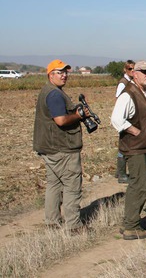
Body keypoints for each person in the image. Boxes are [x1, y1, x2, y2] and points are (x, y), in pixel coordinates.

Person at [33, 59, 91, 233]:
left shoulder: (47, 91)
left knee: (54, 184)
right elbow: (61, 120)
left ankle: (52, 222)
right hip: (62, 148)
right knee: (71, 186)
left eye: (66, 72)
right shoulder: (55, 95)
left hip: (49, 147)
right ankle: (73, 226)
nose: (64, 75)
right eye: (60, 72)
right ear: (51, 75)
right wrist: (78, 115)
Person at [111, 60, 146, 240]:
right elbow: (116, 119)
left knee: (138, 185)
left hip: (144, 146)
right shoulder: (129, 94)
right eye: (144, 71)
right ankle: (131, 226)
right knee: (139, 186)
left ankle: (129, 221)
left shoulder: (144, 92)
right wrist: (135, 131)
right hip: (135, 148)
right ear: (134, 73)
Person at [114, 60, 135, 184]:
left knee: (126, 144)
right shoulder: (123, 83)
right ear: (125, 70)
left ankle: (119, 171)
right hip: (123, 118)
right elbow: (118, 99)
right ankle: (121, 174)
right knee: (124, 144)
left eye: (133, 69)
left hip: (128, 116)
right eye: (130, 69)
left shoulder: (129, 82)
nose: (132, 71)